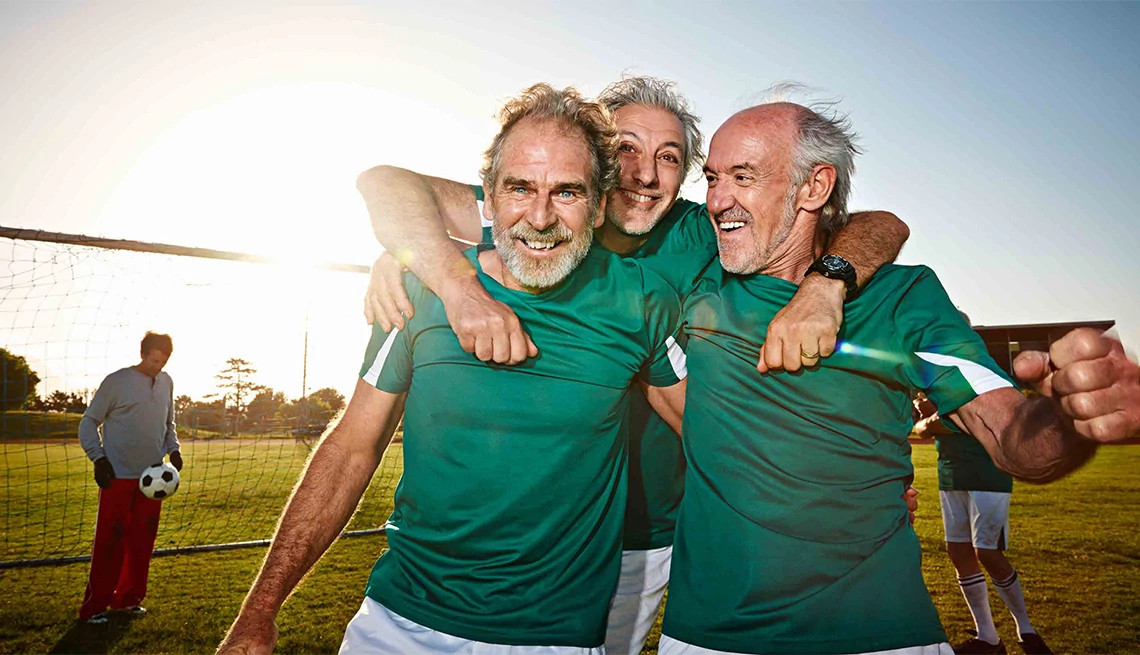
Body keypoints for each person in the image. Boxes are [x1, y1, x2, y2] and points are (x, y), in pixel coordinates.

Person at [356, 75, 911, 654]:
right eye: (627, 150)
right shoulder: (546, 208)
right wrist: (435, 267)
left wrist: (827, 285)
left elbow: (882, 224)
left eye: (668, 158)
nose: (646, 175)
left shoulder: (702, 230)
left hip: (656, 530)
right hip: (540, 548)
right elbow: (389, 187)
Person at [218, 83, 689, 655]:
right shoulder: (421, 288)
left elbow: (712, 435)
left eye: (567, 192)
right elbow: (351, 447)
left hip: (554, 638)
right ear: (485, 200)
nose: (539, 217)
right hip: (399, 623)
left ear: (597, 202)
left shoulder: (642, 301)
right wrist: (259, 612)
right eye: (520, 188)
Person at [657, 101, 1140, 655]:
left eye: (743, 178)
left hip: (882, 632)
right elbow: (886, 223)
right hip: (707, 637)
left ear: (815, 187)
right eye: (712, 177)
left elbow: (1012, 440)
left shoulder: (904, 298)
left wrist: (1070, 419)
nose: (718, 200)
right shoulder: (694, 257)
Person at [914, 392, 1052, 655]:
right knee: (958, 551)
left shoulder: (977, 384)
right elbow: (923, 429)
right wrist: (932, 416)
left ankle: (1026, 631)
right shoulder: (943, 384)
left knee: (987, 552)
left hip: (989, 476)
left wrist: (932, 415)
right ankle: (987, 637)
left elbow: (947, 423)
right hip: (951, 475)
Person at [77, 331, 182, 624]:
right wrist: (98, 459)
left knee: (141, 542)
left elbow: (168, 422)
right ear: (143, 353)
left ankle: (128, 599)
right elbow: (89, 422)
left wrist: (173, 450)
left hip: (152, 480)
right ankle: (95, 607)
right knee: (110, 541)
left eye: (163, 361)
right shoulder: (117, 381)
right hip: (118, 476)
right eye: (154, 360)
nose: (157, 366)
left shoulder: (166, 382)